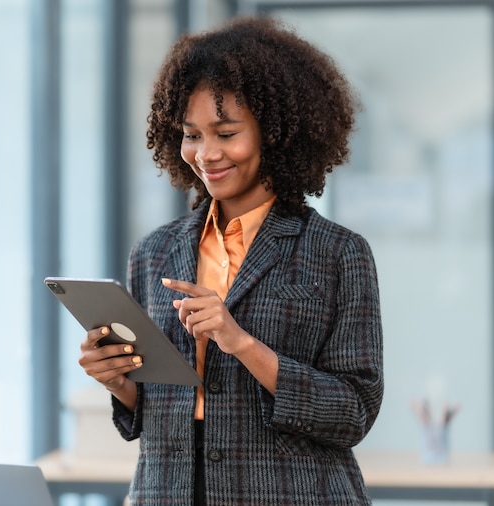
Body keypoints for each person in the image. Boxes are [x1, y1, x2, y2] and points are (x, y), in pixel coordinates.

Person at [77, 15, 384, 506]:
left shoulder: (338, 253)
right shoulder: (154, 252)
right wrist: (119, 382)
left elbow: (354, 412)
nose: (206, 153)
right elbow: (157, 409)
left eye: (226, 132)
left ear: (277, 132)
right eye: (191, 134)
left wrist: (240, 342)